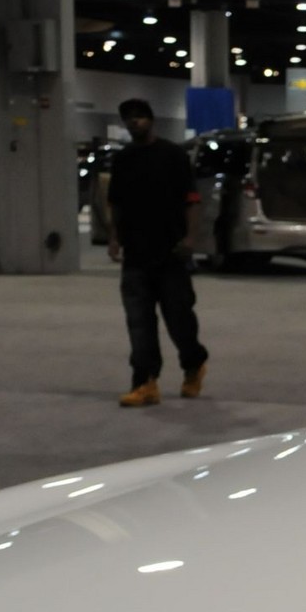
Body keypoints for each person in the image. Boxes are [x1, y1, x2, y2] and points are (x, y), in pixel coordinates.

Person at [101, 98, 209, 407]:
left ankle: (194, 364)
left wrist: (190, 237)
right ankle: (145, 382)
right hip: (135, 252)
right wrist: (113, 238)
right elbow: (116, 204)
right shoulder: (123, 160)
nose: (134, 122)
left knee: (179, 319)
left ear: (151, 120)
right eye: (129, 118)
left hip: (171, 251)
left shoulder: (173, 156)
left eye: (139, 117)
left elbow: (192, 199)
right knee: (139, 321)